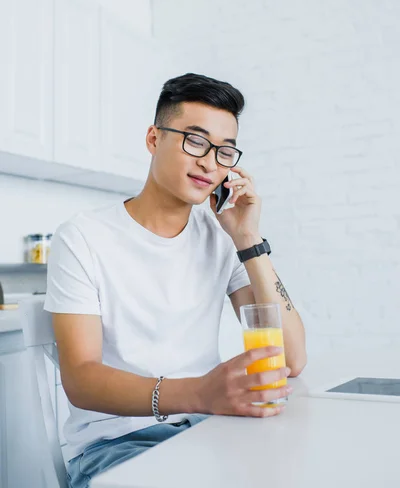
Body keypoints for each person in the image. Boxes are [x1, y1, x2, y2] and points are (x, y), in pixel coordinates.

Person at [45, 73, 307, 488]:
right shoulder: (83, 236)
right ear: (153, 138)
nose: (209, 162)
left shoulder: (223, 239)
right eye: (195, 141)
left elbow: (291, 358)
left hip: (211, 430)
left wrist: (248, 239)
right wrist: (201, 392)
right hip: (117, 444)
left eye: (224, 152)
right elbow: (81, 379)